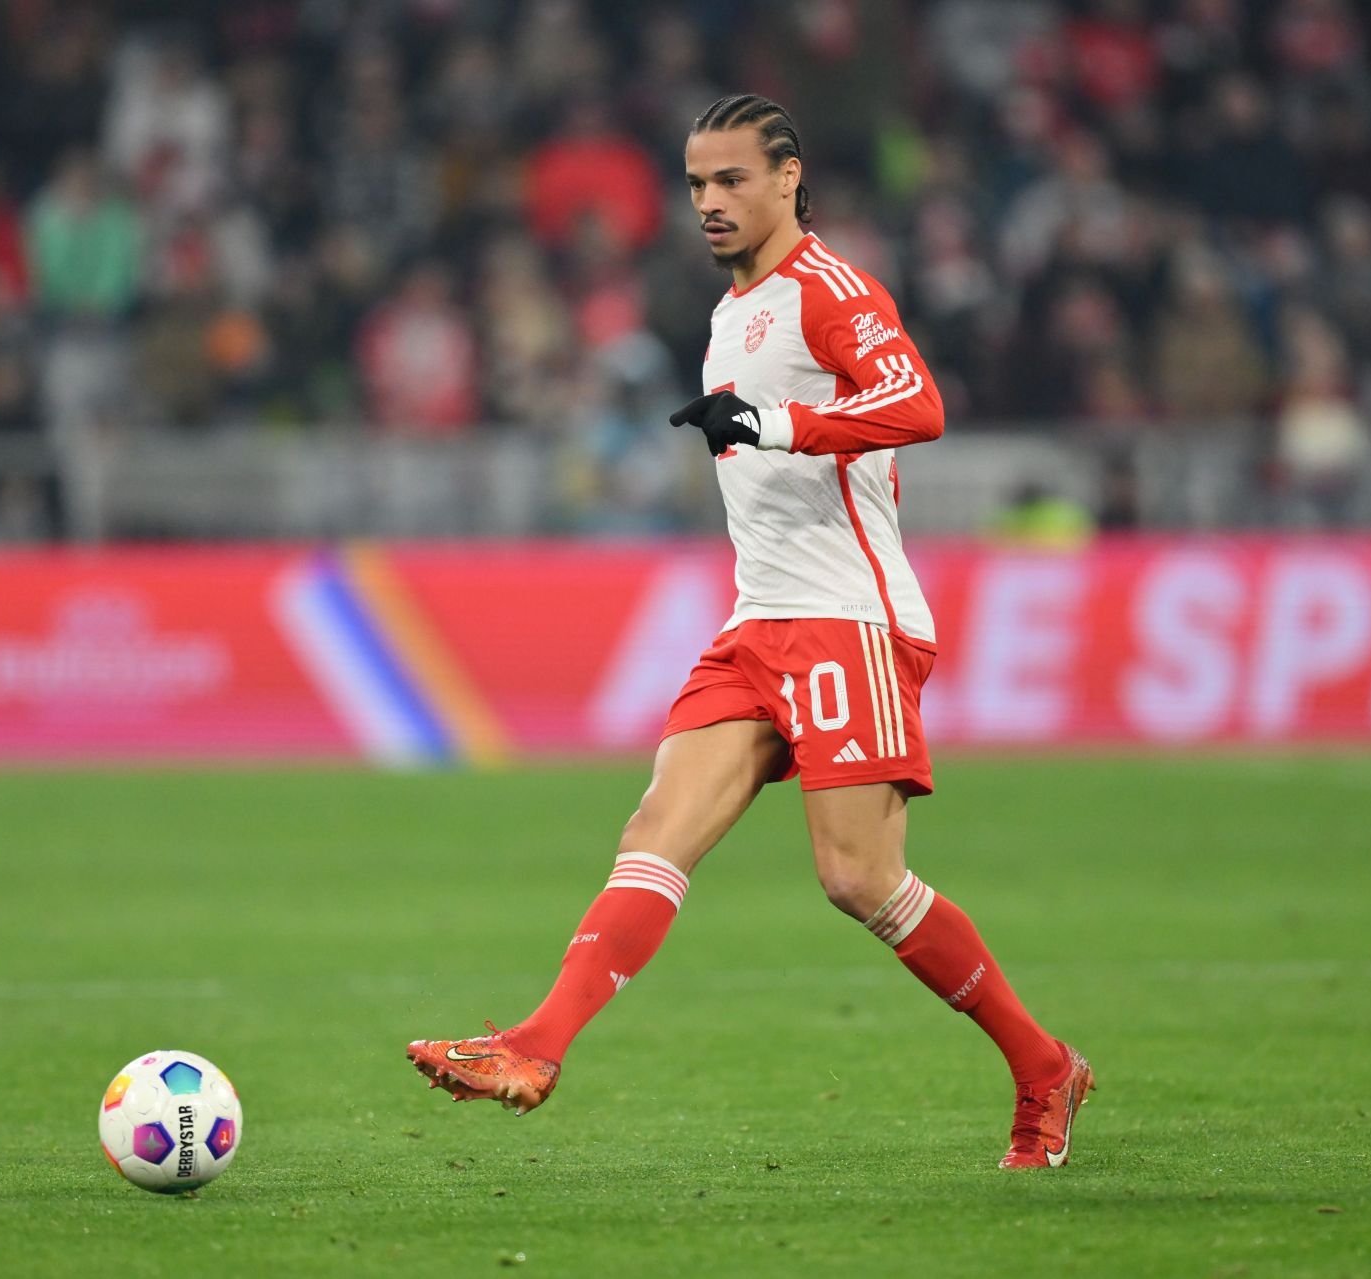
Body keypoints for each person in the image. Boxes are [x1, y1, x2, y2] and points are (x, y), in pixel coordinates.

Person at [407, 95, 1094, 1170]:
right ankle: (534, 1047)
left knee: (859, 879)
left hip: (847, 621)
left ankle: (1044, 1067)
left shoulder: (832, 288)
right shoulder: (732, 315)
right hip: (757, 622)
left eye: (732, 180)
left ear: (788, 176)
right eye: (695, 184)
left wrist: (776, 422)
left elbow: (917, 404)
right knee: (652, 834)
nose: (711, 202)